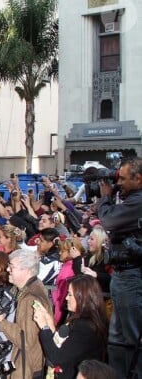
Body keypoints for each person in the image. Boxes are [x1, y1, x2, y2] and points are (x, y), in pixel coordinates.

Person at [96, 156, 142, 378]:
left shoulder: (139, 201)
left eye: (122, 179)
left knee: (132, 338)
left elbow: (108, 221)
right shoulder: (131, 198)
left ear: (139, 179)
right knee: (116, 338)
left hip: (132, 276)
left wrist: (105, 198)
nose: (119, 183)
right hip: (122, 275)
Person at [0, 249, 52, 379]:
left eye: (12, 267)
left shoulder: (30, 298)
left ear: (26, 270)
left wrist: (2, 321)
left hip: (25, 369)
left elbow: (26, 341)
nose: (7, 270)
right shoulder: (29, 288)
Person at [33, 275, 108, 379]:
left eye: (70, 294)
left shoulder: (85, 327)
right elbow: (63, 345)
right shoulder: (83, 320)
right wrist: (49, 322)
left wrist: (44, 327)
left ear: (82, 297)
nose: (66, 298)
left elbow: (56, 357)